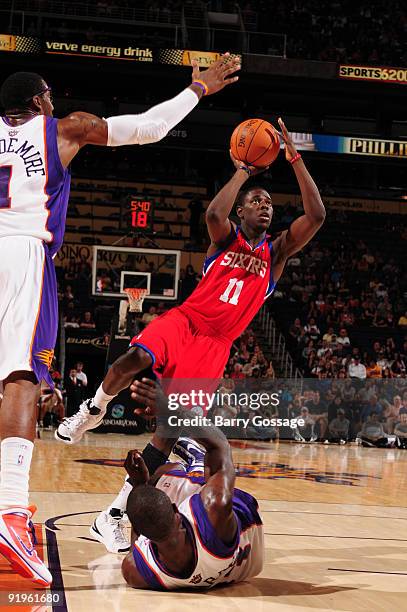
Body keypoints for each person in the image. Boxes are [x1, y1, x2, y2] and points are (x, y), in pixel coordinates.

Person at [0, 57, 239, 586]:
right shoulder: (62, 129)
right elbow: (150, 127)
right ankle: (11, 512)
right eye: (50, 98)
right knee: (19, 380)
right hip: (19, 254)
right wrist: (198, 88)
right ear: (39, 101)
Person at [56, 118, 326, 551]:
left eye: (269, 203)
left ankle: (114, 513)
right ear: (242, 211)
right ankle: (93, 408)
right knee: (132, 360)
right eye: (257, 201)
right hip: (187, 321)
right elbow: (213, 213)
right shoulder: (225, 237)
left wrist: (293, 157)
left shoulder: (276, 254)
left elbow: (317, 215)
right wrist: (244, 170)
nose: (265, 206)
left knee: (167, 431)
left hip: (215, 346)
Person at [121, 378, 265, 590]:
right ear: (175, 509)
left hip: (232, 565)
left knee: (160, 478)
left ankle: (193, 462)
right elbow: (220, 446)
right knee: (183, 477)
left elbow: (139, 541)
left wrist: (141, 484)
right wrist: (174, 410)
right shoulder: (214, 506)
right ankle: (197, 459)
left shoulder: (135, 572)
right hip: (239, 522)